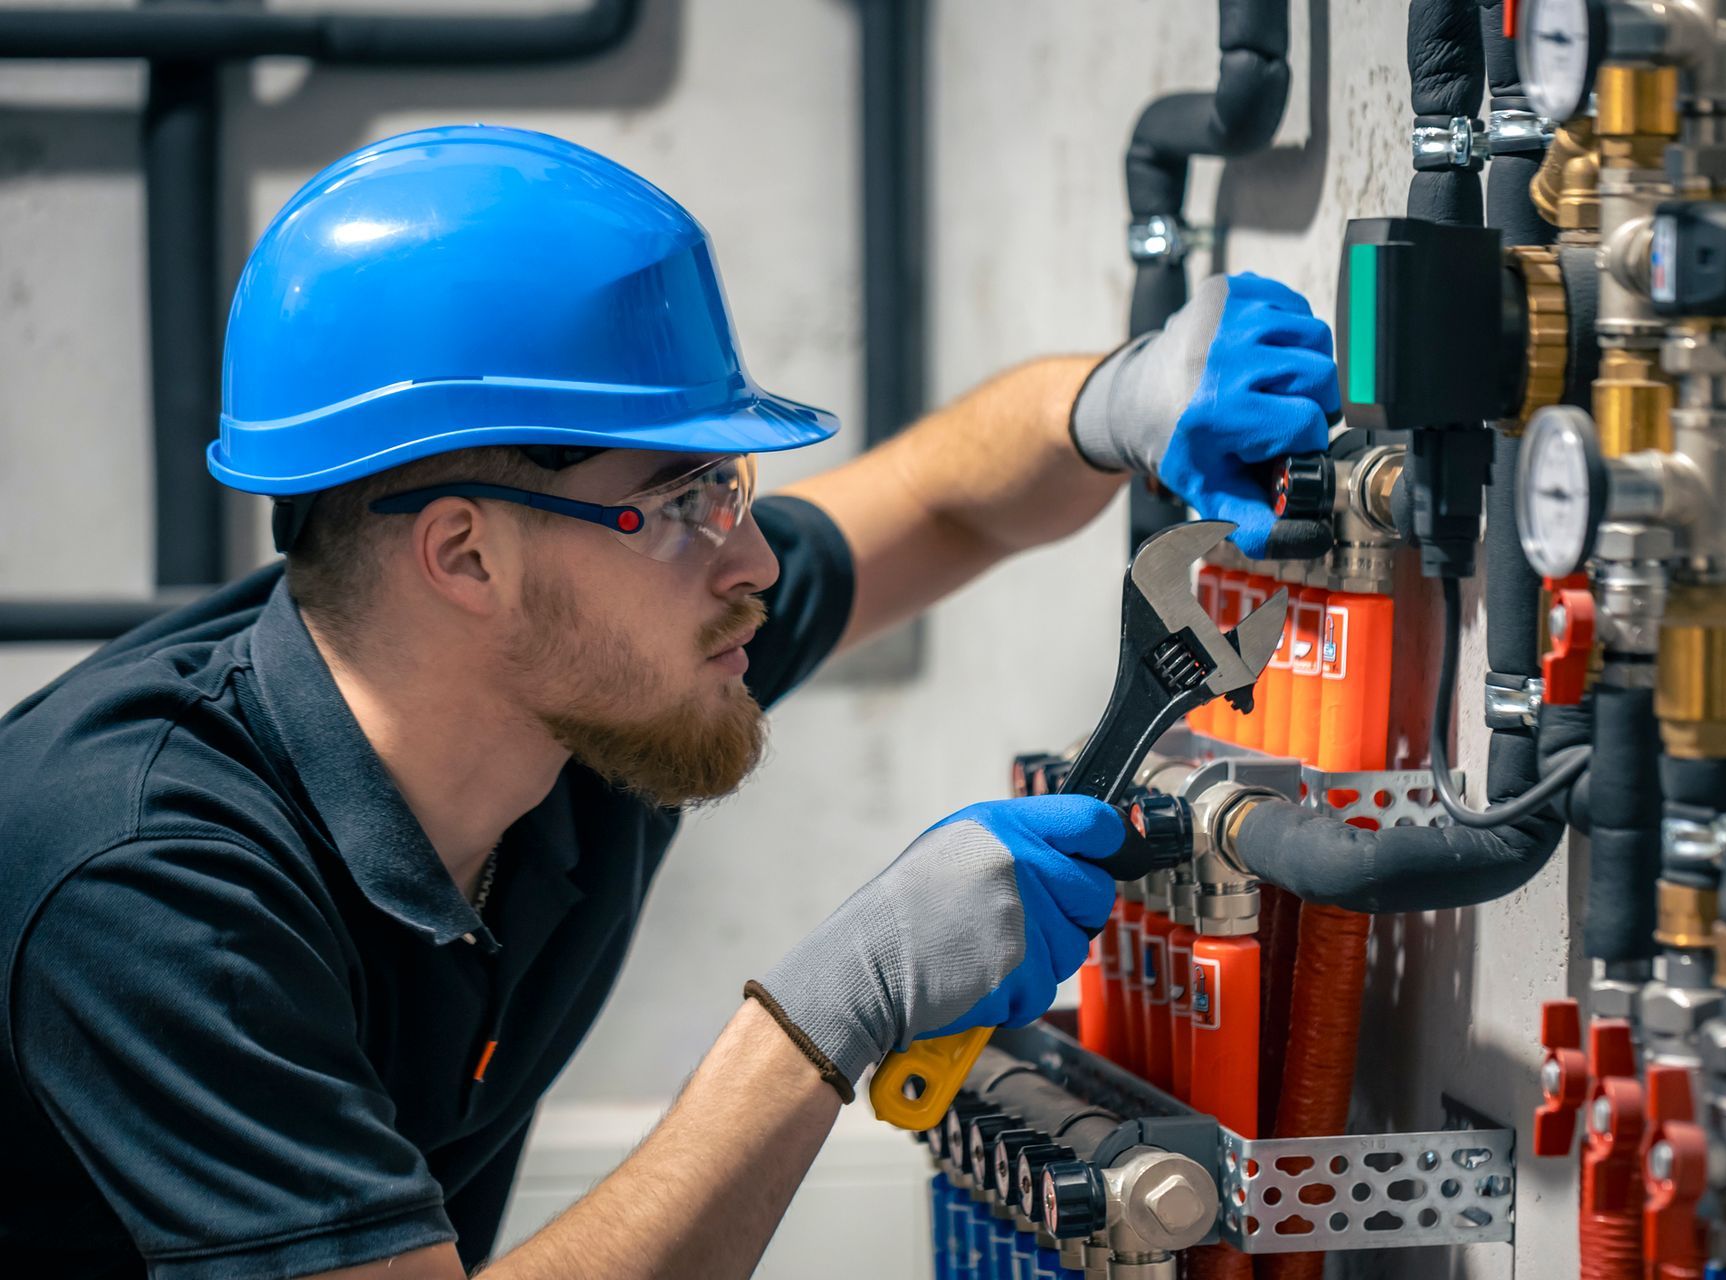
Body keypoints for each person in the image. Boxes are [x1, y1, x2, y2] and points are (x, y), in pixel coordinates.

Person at [0, 125, 1340, 1279]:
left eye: (732, 489)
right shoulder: (153, 894)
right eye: (685, 500)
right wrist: (830, 1010)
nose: (751, 560)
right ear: (465, 554)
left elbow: (938, 498)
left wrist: (1117, 400)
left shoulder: (576, 686)